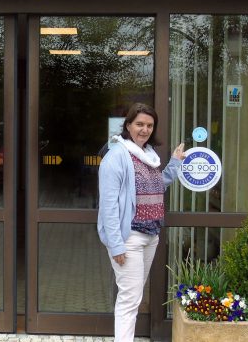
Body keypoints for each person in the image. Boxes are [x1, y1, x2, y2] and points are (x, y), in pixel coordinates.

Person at [97, 103, 185, 342]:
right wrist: (116, 245)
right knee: (129, 299)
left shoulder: (149, 155)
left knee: (134, 296)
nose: (145, 130)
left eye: (149, 125)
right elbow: (108, 206)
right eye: (139, 124)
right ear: (128, 125)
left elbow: (158, 185)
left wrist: (175, 162)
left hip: (151, 235)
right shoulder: (117, 156)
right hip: (130, 238)